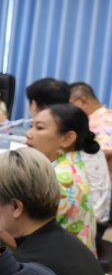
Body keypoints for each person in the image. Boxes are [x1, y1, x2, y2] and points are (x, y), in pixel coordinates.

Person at [25, 104, 102, 252]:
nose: (28, 134)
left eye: (39, 128)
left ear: (67, 138)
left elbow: (29, 242)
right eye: (31, 126)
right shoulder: (73, 162)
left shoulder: (60, 180)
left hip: (59, 263)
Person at [70, 81, 112, 171]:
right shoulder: (106, 115)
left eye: (70, 105)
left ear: (83, 101)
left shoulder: (103, 122)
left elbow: (107, 154)